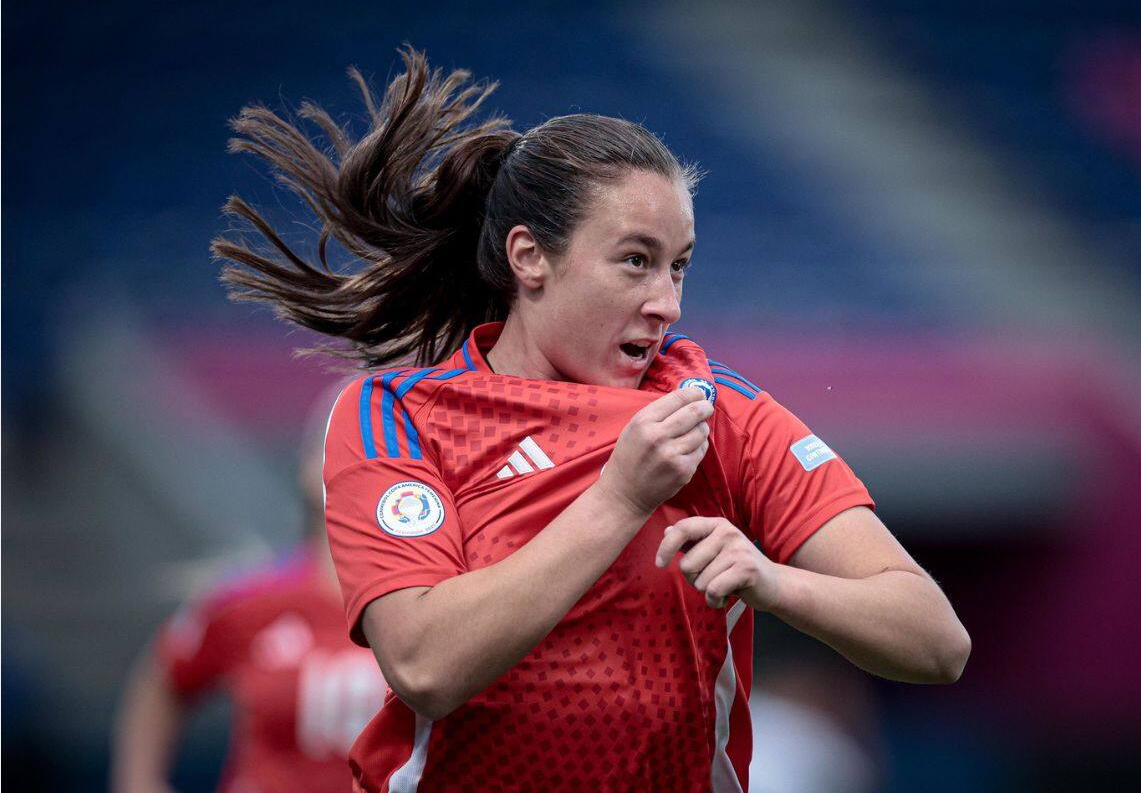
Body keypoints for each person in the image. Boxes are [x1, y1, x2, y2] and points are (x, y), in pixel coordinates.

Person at [213, 48, 971, 793]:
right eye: (635, 261)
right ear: (529, 257)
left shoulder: (715, 408)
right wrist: (618, 499)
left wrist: (775, 584)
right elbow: (424, 666)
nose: (667, 303)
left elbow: (937, 642)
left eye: (679, 266)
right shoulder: (399, 419)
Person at [110, 404, 388, 793]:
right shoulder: (247, 599)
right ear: (308, 469)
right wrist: (139, 782)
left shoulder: (437, 601)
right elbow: (162, 681)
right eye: (339, 447)